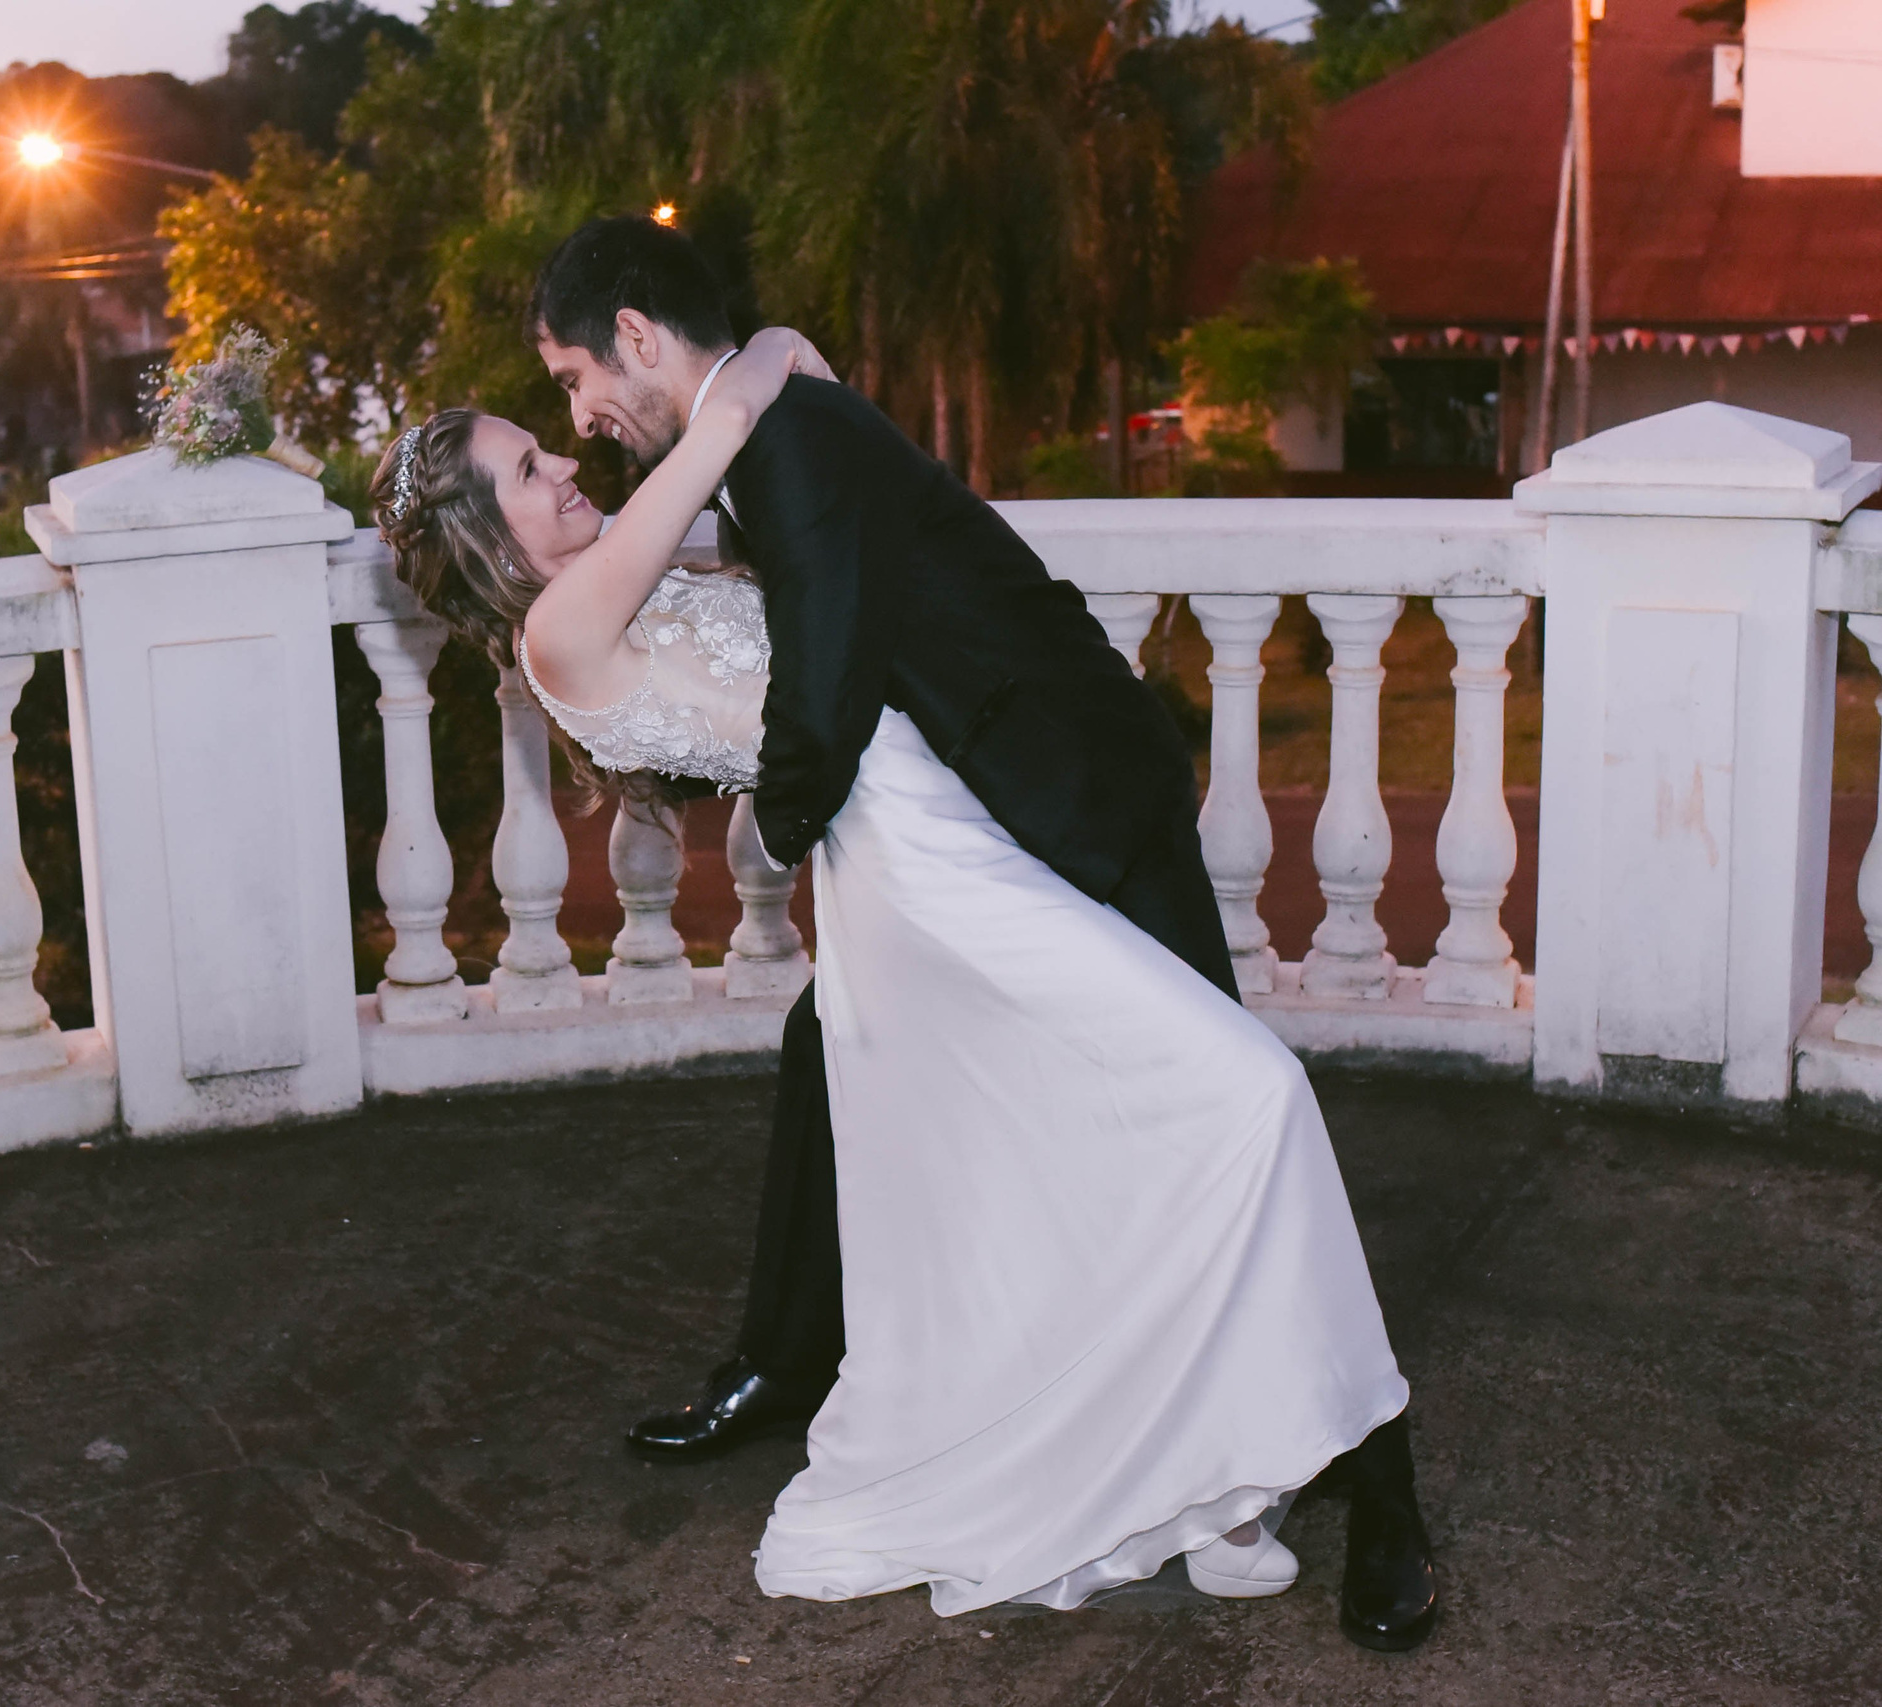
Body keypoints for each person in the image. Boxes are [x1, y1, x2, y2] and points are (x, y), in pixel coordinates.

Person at [371, 215, 1438, 1651]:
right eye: (528, 462)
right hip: (915, 866)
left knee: (1099, 1142)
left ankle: (1248, 1435)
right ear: (483, 534)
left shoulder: (651, 538)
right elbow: (729, 451)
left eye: (563, 400)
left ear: (630, 336)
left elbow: (784, 489)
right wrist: (747, 375)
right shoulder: (564, 630)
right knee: (1235, 1093)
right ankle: (1307, 1447)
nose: (567, 449)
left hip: (955, 828)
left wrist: (752, 373)